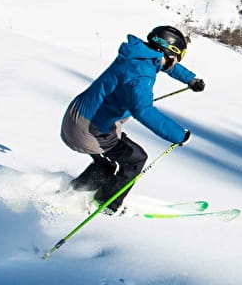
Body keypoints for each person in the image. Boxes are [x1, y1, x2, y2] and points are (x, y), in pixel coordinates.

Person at [60, 25, 205, 215]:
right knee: (135, 159)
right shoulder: (141, 74)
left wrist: (190, 79)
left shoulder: (139, 55)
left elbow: (166, 65)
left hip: (80, 115)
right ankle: (105, 204)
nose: (177, 60)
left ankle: (73, 192)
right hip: (88, 128)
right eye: (178, 55)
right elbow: (143, 111)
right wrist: (179, 135)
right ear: (167, 51)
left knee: (106, 163)